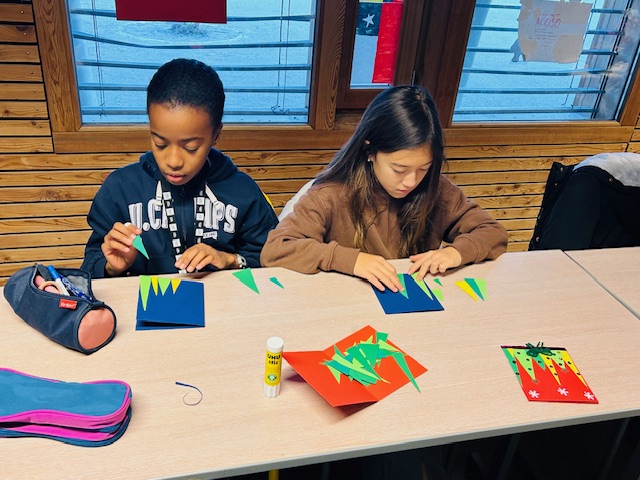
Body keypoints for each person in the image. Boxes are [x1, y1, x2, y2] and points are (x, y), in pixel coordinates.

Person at [260, 85, 508, 292]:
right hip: (346, 305)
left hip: (411, 301)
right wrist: (349, 260)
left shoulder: (438, 189)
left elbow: (493, 232)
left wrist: (456, 253)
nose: (411, 181)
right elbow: (276, 250)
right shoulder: (330, 194)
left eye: (424, 168)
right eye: (399, 169)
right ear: (369, 150)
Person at [82, 58, 278, 278]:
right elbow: (89, 267)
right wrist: (112, 267)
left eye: (191, 147)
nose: (173, 161)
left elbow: (273, 262)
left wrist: (230, 260)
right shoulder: (119, 190)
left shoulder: (243, 192)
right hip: (143, 299)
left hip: (223, 299)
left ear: (216, 135)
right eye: (160, 144)